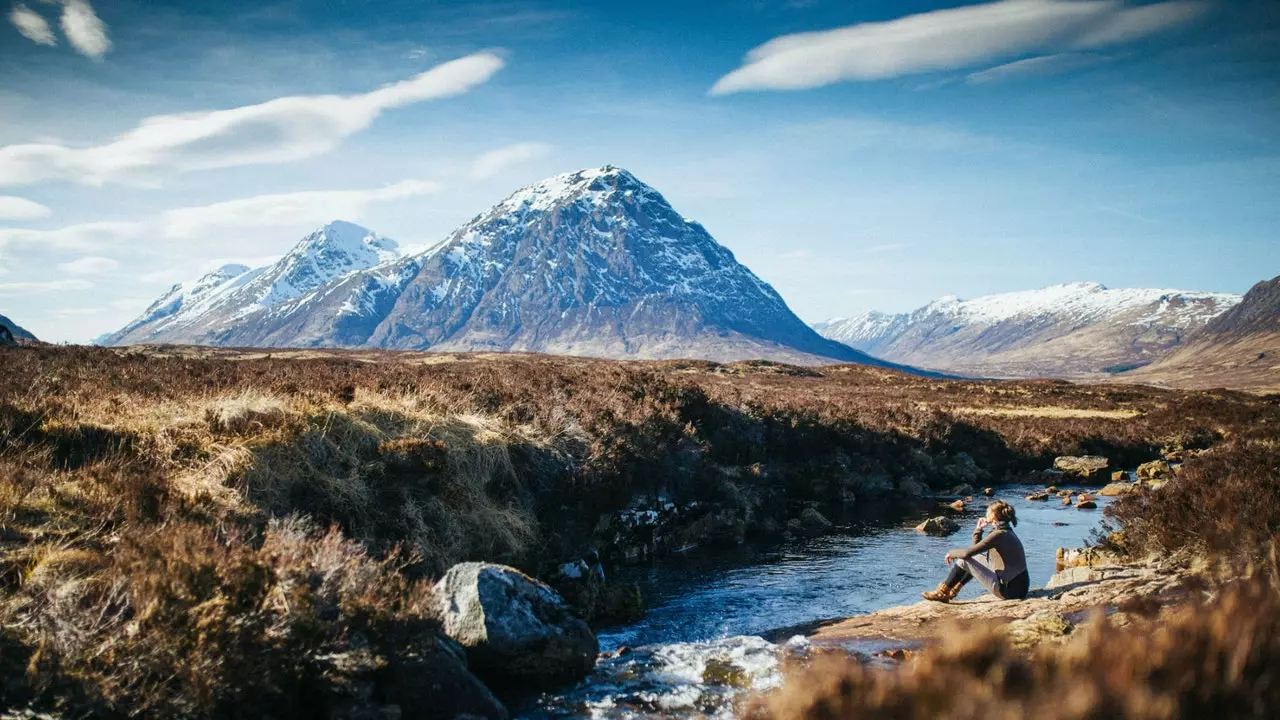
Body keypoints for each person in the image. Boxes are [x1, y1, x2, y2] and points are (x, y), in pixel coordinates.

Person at [922, 500, 1029, 603]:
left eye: (988, 512)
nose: (986, 514)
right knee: (973, 559)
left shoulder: (998, 534)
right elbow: (976, 551)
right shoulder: (1006, 531)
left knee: (964, 560)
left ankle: (943, 593)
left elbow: (967, 554)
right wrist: (979, 529)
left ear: (994, 516)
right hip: (1019, 588)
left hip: (1009, 591)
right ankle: (952, 591)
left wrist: (951, 553)